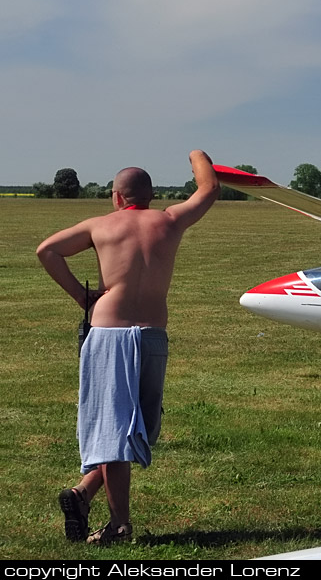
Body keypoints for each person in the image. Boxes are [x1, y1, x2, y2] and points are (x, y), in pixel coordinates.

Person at [37, 150, 220, 545]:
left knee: (121, 430)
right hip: (152, 334)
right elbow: (209, 187)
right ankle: (115, 518)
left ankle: (85, 495)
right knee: (134, 429)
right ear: (150, 196)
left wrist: (82, 298)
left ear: (117, 197)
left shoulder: (100, 226)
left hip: (108, 335)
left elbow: (46, 250)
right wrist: (196, 155)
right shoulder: (170, 221)